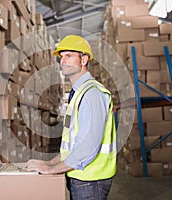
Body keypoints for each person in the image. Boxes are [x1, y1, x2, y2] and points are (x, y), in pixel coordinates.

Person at [25, 35, 117, 200]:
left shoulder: (92, 94)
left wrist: (51, 170)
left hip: (91, 180)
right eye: (61, 56)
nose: (63, 60)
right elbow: (74, 144)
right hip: (81, 177)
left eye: (69, 55)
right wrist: (50, 163)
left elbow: (88, 146)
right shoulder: (77, 94)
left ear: (84, 60)